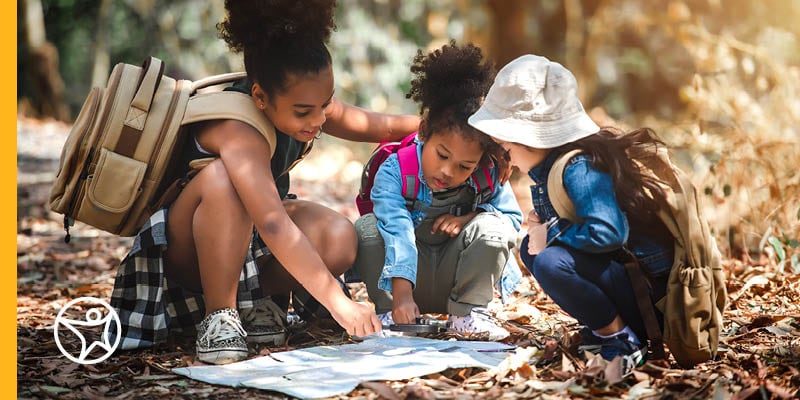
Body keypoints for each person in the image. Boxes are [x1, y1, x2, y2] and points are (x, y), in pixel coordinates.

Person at [110, 0, 420, 365]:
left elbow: (377, 126)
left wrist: (441, 128)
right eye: (305, 111)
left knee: (340, 236)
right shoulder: (237, 128)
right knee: (225, 181)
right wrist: (339, 304)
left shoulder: (303, 99)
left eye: (326, 104)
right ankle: (219, 316)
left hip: (248, 245)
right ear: (259, 96)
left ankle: (254, 305)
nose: (319, 119)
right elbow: (273, 223)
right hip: (185, 254)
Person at [467, 54, 675, 368]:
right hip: (629, 287)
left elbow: (609, 231)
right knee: (533, 250)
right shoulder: (553, 167)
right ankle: (605, 328)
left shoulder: (579, 168)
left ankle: (621, 339)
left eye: (507, 148)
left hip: (651, 302)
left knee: (549, 260)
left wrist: (549, 233)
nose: (506, 157)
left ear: (531, 138)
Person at [353, 42, 524, 341]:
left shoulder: (489, 173)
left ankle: (467, 314)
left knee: (494, 228)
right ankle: (388, 314)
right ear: (423, 132)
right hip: (401, 283)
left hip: (453, 280)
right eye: (442, 155)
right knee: (368, 229)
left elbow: (511, 220)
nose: (448, 172)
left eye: (464, 166)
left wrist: (471, 217)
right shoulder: (395, 171)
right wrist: (401, 297)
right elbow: (396, 229)